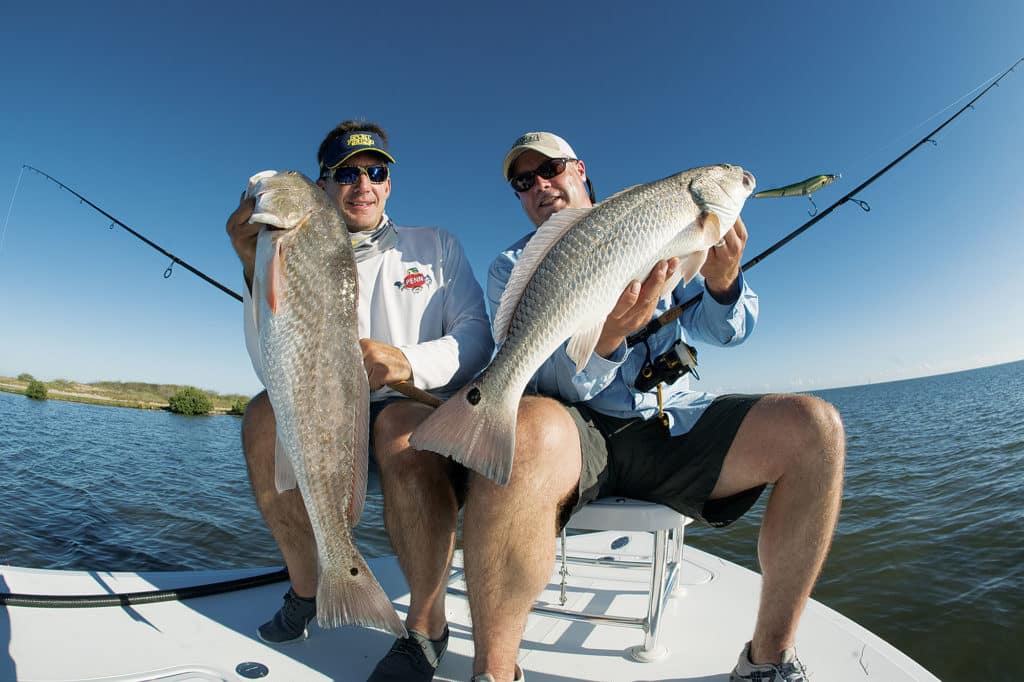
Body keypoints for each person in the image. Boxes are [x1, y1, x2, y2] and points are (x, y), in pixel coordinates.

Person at [463, 132, 845, 682]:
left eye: (550, 169)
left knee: (816, 428)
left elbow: (729, 331)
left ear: (580, 170)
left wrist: (723, 281)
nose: (540, 185)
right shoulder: (512, 266)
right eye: (524, 181)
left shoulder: (661, 224)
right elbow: (545, 376)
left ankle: (767, 663)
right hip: (575, 433)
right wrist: (607, 342)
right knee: (525, 430)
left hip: (669, 419)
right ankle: (493, 674)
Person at [226, 120, 493, 681]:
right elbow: (269, 362)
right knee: (260, 415)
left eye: (375, 171)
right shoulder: (286, 246)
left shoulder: (437, 246)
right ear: (323, 186)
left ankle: (425, 627)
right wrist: (254, 267)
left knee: (398, 422)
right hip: (325, 422)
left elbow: (477, 337)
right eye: (346, 173)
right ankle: (308, 588)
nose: (363, 184)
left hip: (415, 413)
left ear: (390, 183)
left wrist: (408, 360)